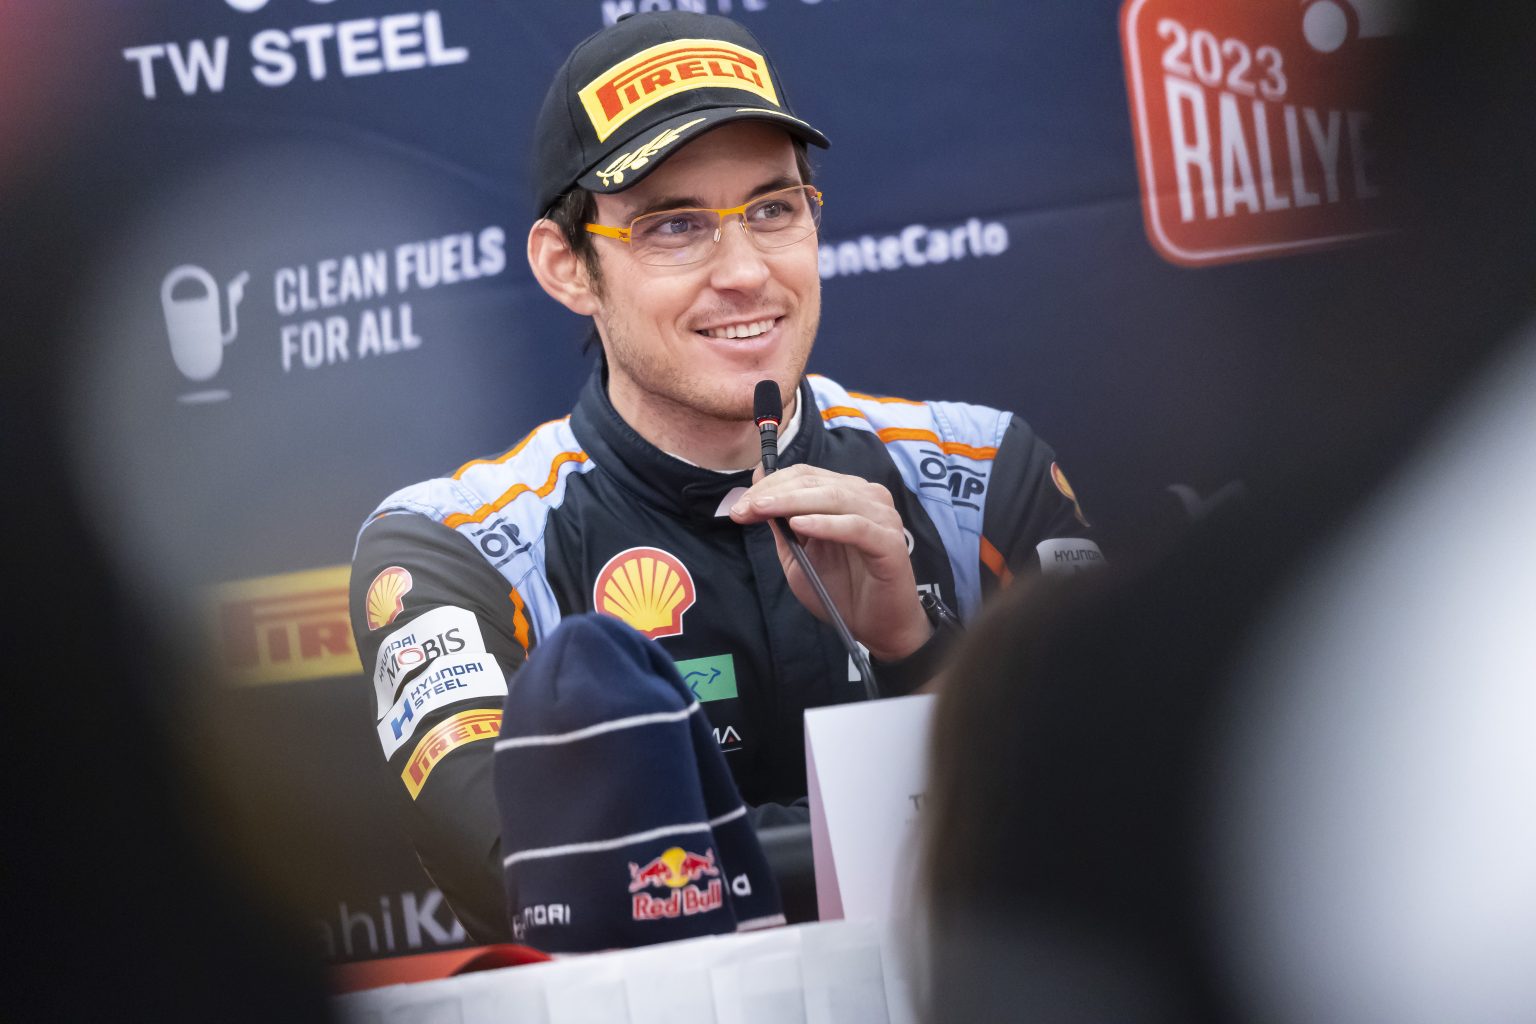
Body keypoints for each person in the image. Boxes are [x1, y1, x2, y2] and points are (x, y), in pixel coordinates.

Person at [348, 10, 1101, 943]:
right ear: (567, 266)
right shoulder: (453, 549)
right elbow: (533, 876)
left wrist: (916, 650)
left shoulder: (985, 473)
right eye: (675, 226)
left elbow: (1112, 805)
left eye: (774, 209)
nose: (744, 271)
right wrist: (929, 815)